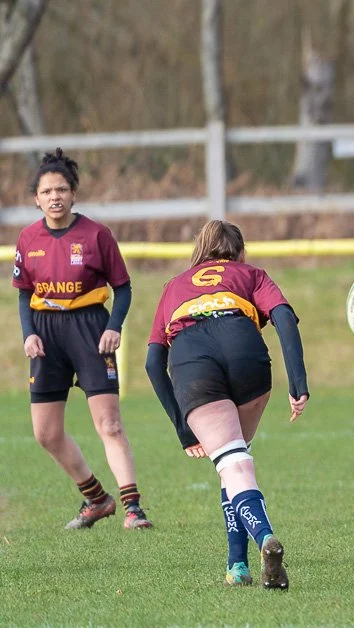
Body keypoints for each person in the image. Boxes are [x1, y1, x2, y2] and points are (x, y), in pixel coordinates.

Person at [143, 220, 309, 589]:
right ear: (240, 253)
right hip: (244, 351)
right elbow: (282, 316)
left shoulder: (174, 286)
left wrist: (183, 428)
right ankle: (237, 565)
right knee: (235, 461)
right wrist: (298, 382)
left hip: (193, 360)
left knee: (232, 464)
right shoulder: (250, 274)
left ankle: (264, 538)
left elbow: (153, 362)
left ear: (199, 251)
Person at [12, 149, 151, 530]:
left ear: (74, 194)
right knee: (45, 433)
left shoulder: (96, 235)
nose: (54, 197)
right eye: (46, 191)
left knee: (109, 424)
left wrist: (114, 326)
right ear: (36, 198)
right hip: (46, 334)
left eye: (62, 189)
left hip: (90, 330)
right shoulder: (28, 238)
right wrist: (29, 335)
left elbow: (122, 288)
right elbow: (25, 293)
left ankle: (133, 508)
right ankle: (96, 498)